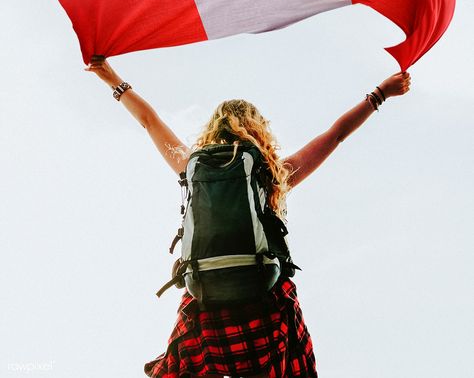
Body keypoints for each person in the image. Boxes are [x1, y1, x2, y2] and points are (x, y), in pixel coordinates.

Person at [85, 55, 411, 378]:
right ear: (258, 131)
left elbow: (149, 121)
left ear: (213, 130)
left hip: (205, 306)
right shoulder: (272, 173)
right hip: (267, 306)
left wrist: (113, 79)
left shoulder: (191, 166)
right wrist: (380, 93)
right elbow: (336, 134)